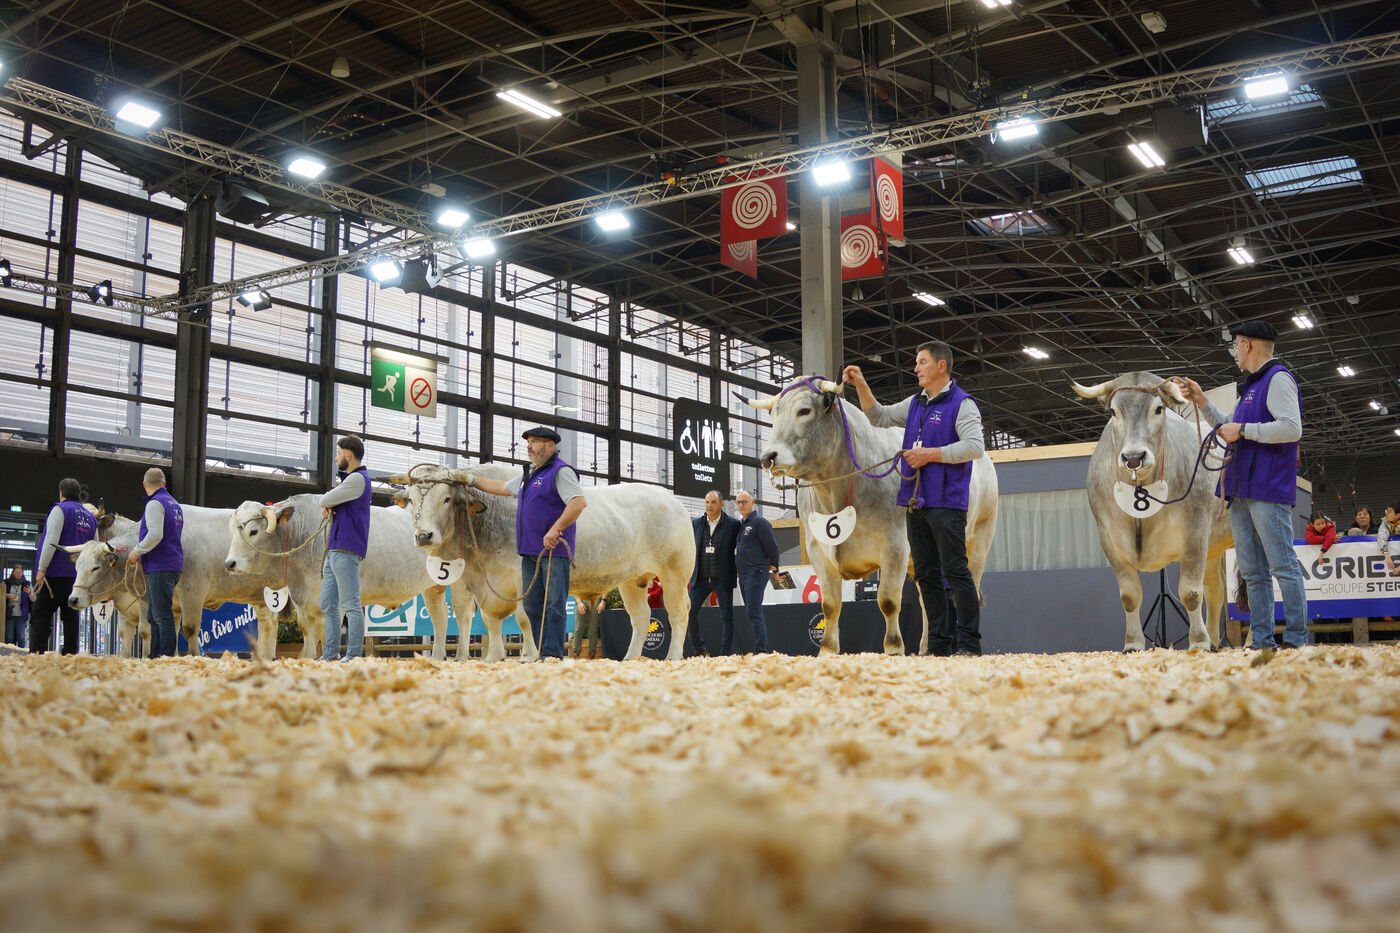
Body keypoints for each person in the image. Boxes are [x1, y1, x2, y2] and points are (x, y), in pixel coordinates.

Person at [844, 340, 987, 656]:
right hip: (915, 501)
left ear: (941, 366)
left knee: (956, 571)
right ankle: (938, 644)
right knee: (925, 575)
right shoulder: (915, 403)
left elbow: (975, 446)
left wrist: (929, 455)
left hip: (947, 501)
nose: (916, 368)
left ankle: (969, 644)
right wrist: (861, 384)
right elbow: (878, 416)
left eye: (922, 362)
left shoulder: (963, 404)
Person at [1177, 319, 1307, 654]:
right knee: (1252, 572)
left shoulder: (1278, 378)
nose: (1234, 351)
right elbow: (1228, 427)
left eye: (1235, 344)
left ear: (1247, 345)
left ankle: (1296, 639)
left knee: (1283, 566)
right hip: (1242, 489)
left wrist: (1245, 430)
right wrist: (1202, 401)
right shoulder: (1253, 385)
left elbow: (1291, 428)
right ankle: (1262, 640)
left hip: (1266, 487)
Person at [469, 426, 587, 661]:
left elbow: (578, 503)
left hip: (553, 551)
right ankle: (543, 651)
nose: (528, 446)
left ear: (550, 446)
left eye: (534, 441)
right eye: (528, 442)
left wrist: (556, 529)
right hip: (529, 550)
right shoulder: (530, 472)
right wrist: (472, 481)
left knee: (554, 604)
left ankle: (552, 654)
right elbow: (502, 488)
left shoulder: (561, 471)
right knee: (532, 606)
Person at [30, 477, 96, 654]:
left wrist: (42, 569)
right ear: (79, 494)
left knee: (41, 615)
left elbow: (51, 541)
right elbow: (94, 549)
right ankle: (70, 656)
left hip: (54, 575)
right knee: (71, 618)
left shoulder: (59, 510)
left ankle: (36, 655)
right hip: (77, 579)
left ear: (61, 494)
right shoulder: (90, 517)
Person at [320, 435, 372, 661]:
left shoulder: (357, 479)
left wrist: (330, 504)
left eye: (339, 453)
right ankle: (330, 653)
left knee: (350, 604)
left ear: (348, 456)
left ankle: (354, 654)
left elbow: (324, 500)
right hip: (336, 547)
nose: (336, 457)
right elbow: (330, 502)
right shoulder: (352, 481)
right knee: (328, 603)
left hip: (346, 547)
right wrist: (332, 505)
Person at [127, 468, 184, 657]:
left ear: (144, 484)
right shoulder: (174, 504)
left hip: (160, 565)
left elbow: (155, 535)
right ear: (164, 483)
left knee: (161, 615)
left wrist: (136, 552)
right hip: (173, 564)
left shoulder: (154, 504)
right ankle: (155, 656)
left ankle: (165, 657)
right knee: (154, 614)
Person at [686, 490, 739, 656]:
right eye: (707, 502)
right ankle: (699, 649)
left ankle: (726, 653)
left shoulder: (733, 524)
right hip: (700, 578)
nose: (709, 505)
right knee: (689, 612)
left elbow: (741, 548)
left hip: (722, 578)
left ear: (721, 505)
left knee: (726, 617)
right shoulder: (696, 524)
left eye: (713, 502)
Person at [734, 490, 780, 654]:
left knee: (753, 611)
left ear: (752, 503)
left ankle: (761, 650)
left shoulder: (759, 522)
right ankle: (761, 648)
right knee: (751, 611)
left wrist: (775, 566)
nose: (741, 505)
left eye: (744, 502)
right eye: (738, 502)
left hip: (756, 572)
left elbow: (772, 545)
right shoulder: (741, 525)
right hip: (743, 574)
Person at [571, 595, 606, 659]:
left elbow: (605, 588)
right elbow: (575, 590)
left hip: (596, 599)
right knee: (579, 628)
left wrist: (603, 601)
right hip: (582, 599)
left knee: (593, 629)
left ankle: (592, 655)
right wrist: (579, 602)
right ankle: (575, 654)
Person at [5, 566, 29, 647]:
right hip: (9, 613)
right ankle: (8, 653)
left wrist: (30, 593)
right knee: (9, 637)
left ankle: (22, 653)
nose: (18, 574)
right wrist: (7, 595)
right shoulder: (6, 583)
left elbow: (34, 598)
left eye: (20, 572)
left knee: (21, 637)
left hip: (22, 614)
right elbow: (1, 593)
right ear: (13, 573)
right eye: (16, 572)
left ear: (22, 573)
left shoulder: (27, 584)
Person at [1379, 502, 1400, 576]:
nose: (1386, 514)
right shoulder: (1385, 521)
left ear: (1398, 515)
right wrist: (1386, 554)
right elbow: (1381, 536)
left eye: (1390, 512)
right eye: (1386, 511)